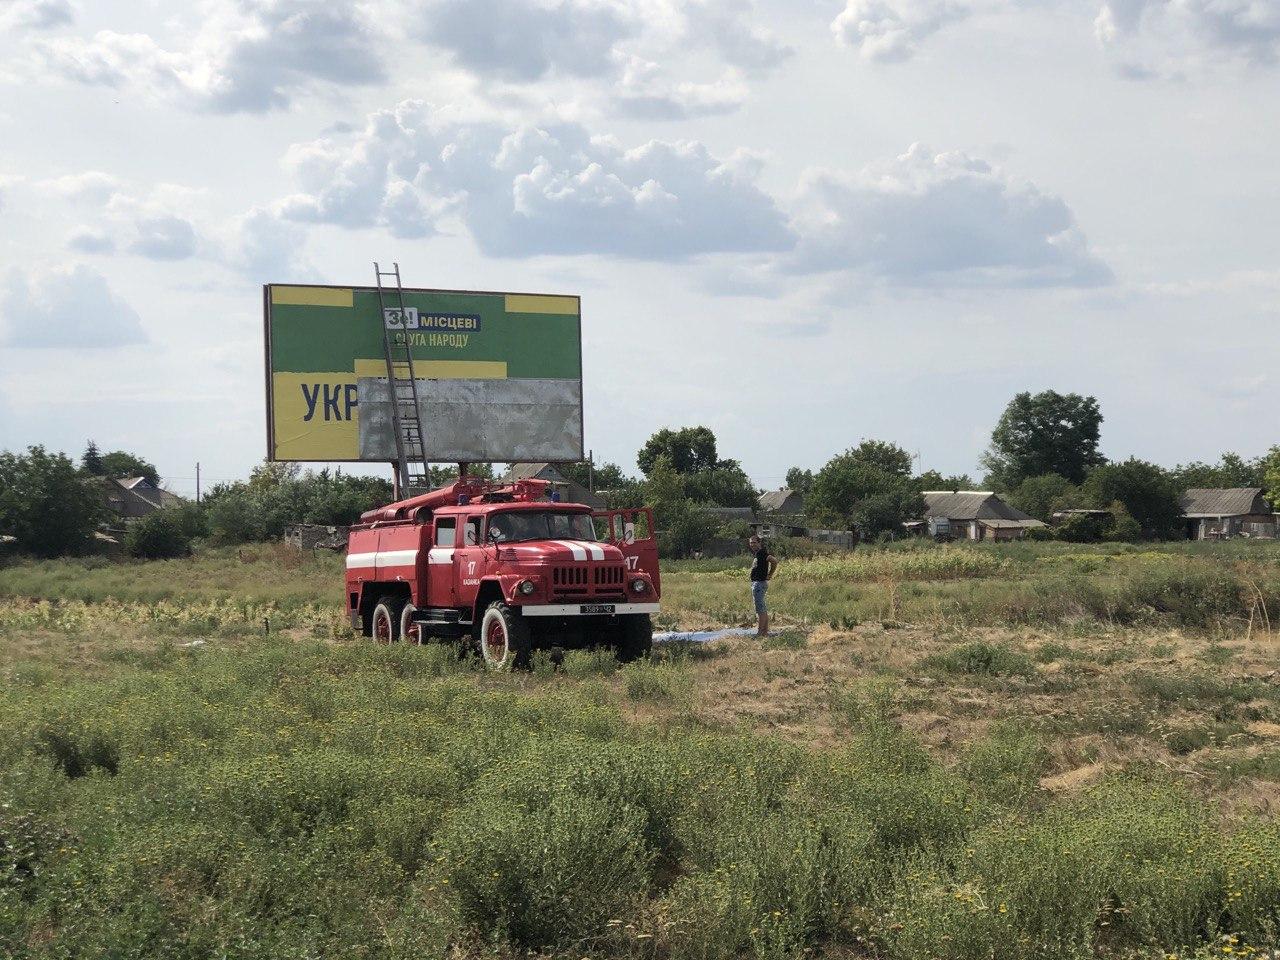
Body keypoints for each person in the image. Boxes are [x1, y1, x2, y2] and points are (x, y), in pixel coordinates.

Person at [748, 534, 777, 637]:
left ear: (759, 543)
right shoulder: (757, 553)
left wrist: (770, 574)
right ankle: (764, 632)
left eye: (754, 542)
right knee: (762, 609)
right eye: (751, 542)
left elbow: (774, 561)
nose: (752, 544)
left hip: (759, 584)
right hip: (758, 583)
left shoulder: (761, 553)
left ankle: (761, 632)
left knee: (760, 610)